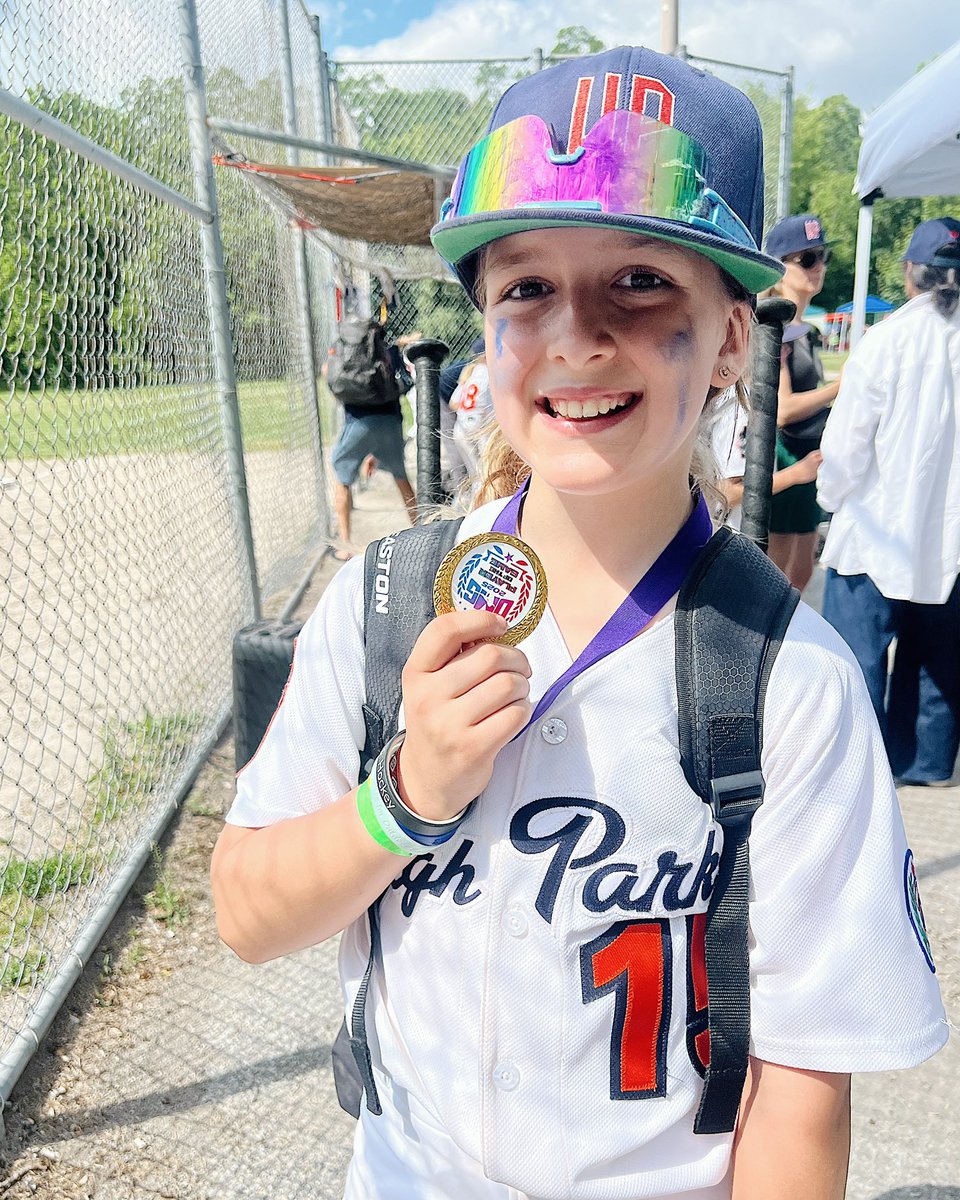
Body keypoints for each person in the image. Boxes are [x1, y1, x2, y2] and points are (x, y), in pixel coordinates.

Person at [212, 48, 946, 1200]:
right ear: (486, 325)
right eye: (525, 288)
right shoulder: (384, 603)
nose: (575, 336)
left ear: (733, 336)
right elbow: (247, 915)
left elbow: (802, 1094)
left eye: (642, 280)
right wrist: (403, 797)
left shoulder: (789, 679)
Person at [818, 216, 960, 787]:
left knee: (855, 661)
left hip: (874, 534)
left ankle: (859, 773)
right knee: (938, 660)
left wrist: (832, 499)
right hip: (950, 543)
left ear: (909, 273)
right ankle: (928, 763)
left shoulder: (887, 341)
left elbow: (847, 445)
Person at [762, 214, 841, 590]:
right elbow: (781, 410)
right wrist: (840, 387)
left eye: (822, 256)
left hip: (810, 451)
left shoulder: (804, 330)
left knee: (803, 569)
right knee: (777, 570)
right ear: (780, 268)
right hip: (784, 454)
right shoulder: (774, 327)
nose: (819, 267)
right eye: (807, 259)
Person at [712, 325, 823, 530]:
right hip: (727, 536)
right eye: (780, 345)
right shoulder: (740, 408)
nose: (787, 352)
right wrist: (797, 473)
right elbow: (726, 493)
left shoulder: (742, 398)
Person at [325, 323, 418, 558]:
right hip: (390, 422)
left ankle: (345, 545)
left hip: (357, 422)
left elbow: (330, 375)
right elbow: (402, 384)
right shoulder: (388, 353)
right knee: (401, 477)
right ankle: (421, 529)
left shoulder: (348, 357)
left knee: (342, 478)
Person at [449, 347, 495, 499]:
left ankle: (467, 503)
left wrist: (468, 411)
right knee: (485, 473)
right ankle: (482, 503)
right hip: (479, 428)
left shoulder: (470, 372)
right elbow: (492, 407)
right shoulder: (489, 372)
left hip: (461, 428)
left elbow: (453, 403)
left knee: (474, 474)